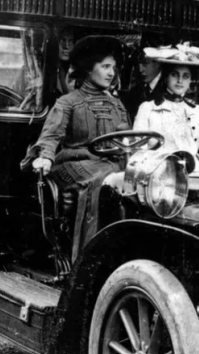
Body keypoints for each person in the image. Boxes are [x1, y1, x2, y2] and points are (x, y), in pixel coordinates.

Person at [22, 36, 131, 255]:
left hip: (109, 163)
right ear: (89, 69)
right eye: (105, 66)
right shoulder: (68, 102)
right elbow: (51, 136)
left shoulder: (117, 105)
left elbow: (127, 138)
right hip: (73, 164)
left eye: (114, 68)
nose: (111, 73)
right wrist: (45, 156)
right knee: (101, 178)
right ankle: (86, 256)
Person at [133, 44, 199, 173]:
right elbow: (139, 152)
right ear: (166, 77)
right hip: (162, 177)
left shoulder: (198, 111)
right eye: (174, 74)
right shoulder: (148, 109)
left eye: (185, 76)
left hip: (197, 173)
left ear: (190, 80)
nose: (180, 81)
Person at [121, 50, 163, 121]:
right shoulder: (135, 92)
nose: (140, 69)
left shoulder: (169, 89)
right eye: (138, 64)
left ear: (158, 63)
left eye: (145, 63)